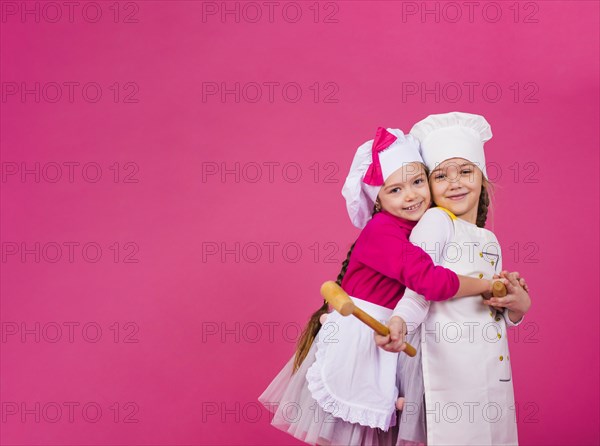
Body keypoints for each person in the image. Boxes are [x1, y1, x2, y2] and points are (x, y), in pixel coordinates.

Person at [258, 127, 514, 445]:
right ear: (377, 200)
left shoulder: (420, 226)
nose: (410, 196)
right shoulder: (383, 230)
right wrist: (486, 285)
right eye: (394, 190)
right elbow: (430, 282)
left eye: (417, 182)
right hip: (362, 340)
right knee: (352, 432)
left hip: (387, 335)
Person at [376, 112, 532, 446]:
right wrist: (400, 319)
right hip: (452, 373)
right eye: (442, 176)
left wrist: (517, 305)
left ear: (483, 176)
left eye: (465, 171)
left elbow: (496, 311)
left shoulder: (488, 240)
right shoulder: (435, 221)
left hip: (493, 374)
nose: (455, 183)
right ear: (430, 185)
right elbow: (420, 286)